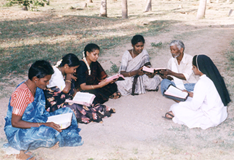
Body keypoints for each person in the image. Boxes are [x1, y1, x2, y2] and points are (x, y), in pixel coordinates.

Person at [4, 60, 83, 160]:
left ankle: (57, 137)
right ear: (35, 79)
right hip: (19, 131)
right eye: (46, 81)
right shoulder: (22, 93)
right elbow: (15, 122)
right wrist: (44, 124)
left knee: (68, 112)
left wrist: (49, 120)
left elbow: (42, 113)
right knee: (48, 132)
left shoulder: (38, 88)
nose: (48, 83)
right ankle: (19, 148)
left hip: (38, 120)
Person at [164, 55, 231, 130]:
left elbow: (194, 106)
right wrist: (189, 94)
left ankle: (177, 112)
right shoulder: (214, 78)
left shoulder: (201, 83)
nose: (192, 69)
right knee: (187, 99)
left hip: (211, 117)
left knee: (176, 107)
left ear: (199, 68)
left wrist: (182, 104)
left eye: (193, 67)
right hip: (221, 114)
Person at [45, 53, 115, 123]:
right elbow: (66, 90)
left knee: (87, 100)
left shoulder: (63, 72)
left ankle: (99, 110)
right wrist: (69, 75)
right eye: (74, 69)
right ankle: (94, 114)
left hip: (66, 99)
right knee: (74, 107)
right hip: (56, 104)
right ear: (66, 66)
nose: (75, 71)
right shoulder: (56, 74)